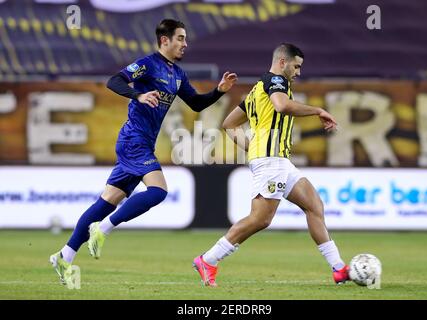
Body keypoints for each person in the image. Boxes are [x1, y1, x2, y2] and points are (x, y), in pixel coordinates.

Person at [50, 19, 237, 287]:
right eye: (181, 38)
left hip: (142, 143)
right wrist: (136, 96)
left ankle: (64, 256)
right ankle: (102, 229)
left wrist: (218, 91)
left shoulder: (177, 74)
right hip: (133, 140)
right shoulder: (147, 64)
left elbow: (196, 103)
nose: (185, 44)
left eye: (185, 39)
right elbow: (114, 80)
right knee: (158, 191)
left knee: (106, 201)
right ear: (165, 40)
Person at [193, 43, 349, 287]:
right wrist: (318, 110)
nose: (298, 72)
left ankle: (339, 269)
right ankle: (209, 260)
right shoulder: (276, 82)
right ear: (282, 62)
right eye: (296, 66)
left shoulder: (257, 89)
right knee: (260, 219)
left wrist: (251, 147)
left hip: (277, 160)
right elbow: (282, 106)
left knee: (314, 206)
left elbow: (229, 123)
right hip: (270, 160)